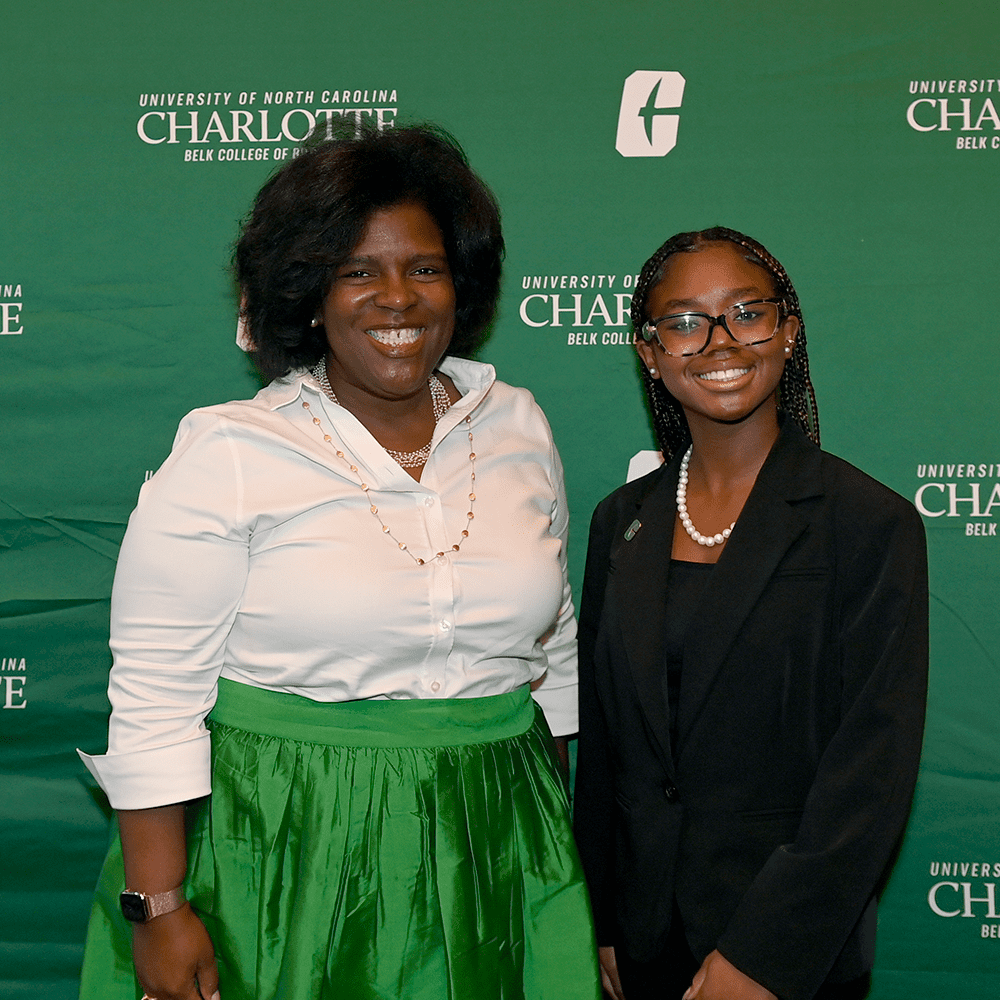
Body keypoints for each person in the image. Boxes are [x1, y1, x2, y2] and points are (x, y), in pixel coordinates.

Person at [78, 121, 600, 1000]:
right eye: (358, 270)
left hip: (499, 833)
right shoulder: (229, 450)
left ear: (460, 284)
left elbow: (551, 652)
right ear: (309, 293)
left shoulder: (519, 425)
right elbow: (156, 694)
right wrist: (159, 905)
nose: (396, 297)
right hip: (285, 842)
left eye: (424, 268)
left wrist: (549, 839)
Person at [573, 227, 928, 1000]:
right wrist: (600, 914)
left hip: (786, 952)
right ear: (650, 351)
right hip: (641, 940)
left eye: (747, 313)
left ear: (788, 331)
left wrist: (765, 956)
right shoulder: (619, 522)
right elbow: (604, 743)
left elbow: (870, 769)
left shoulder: (866, 523)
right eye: (685, 321)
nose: (719, 341)